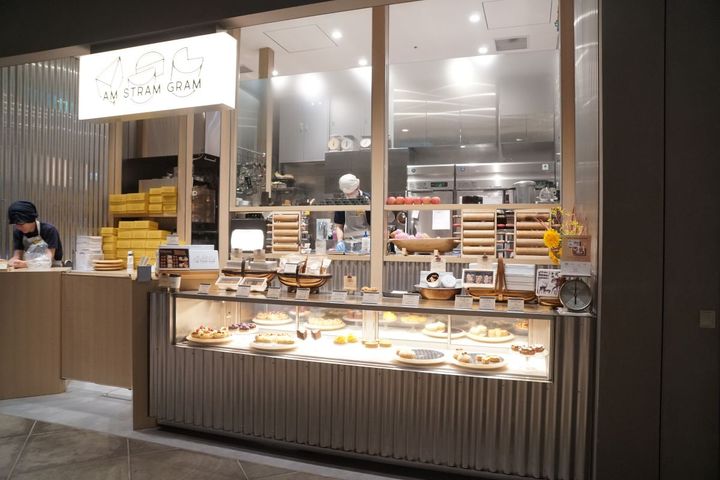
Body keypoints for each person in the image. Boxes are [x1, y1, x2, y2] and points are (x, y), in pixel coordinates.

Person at [7, 201, 63, 268]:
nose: (18, 227)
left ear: (31, 220)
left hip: (53, 267)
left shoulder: (49, 230)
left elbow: (48, 259)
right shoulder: (18, 233)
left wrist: (26, 264)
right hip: (29, 268)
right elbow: (17, 256)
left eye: (21, 224)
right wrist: (12, 261)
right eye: (16, 224)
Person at [333, 174, 370, 253]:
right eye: (347, 194)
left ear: (357, 188)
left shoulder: (368, 200)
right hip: (348, 243)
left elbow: (375, 224)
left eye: (350, 193)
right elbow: (339, 226)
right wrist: (340, 241)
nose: (348, 196)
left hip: (366, 242)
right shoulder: (341, 201)